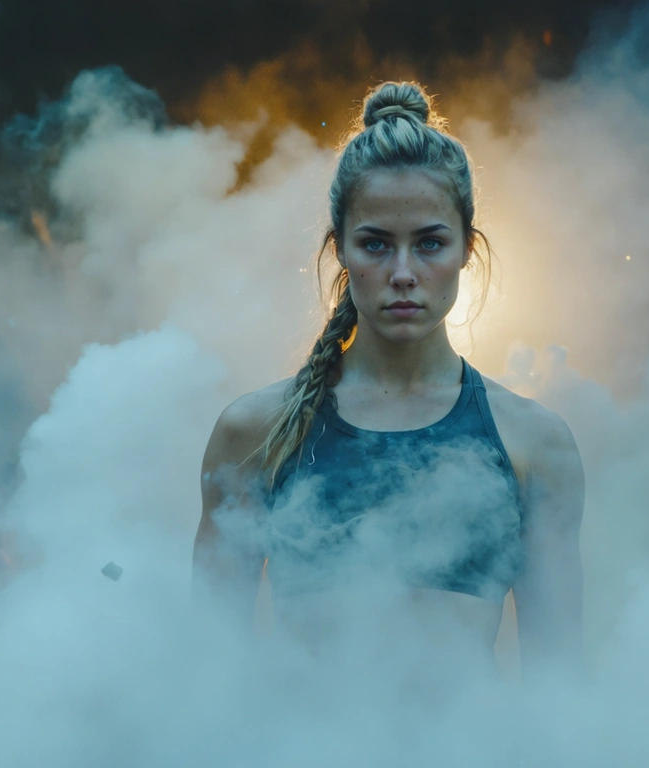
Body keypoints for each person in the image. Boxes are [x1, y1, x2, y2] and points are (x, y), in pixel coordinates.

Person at [192, 82, 584, 677]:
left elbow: (561, 683)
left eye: (429, 243)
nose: (403, 273)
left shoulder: (534, 443)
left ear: (466, 252)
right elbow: (205, 672)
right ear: (340, 252)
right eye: (376, 244)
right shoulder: (257, 432)